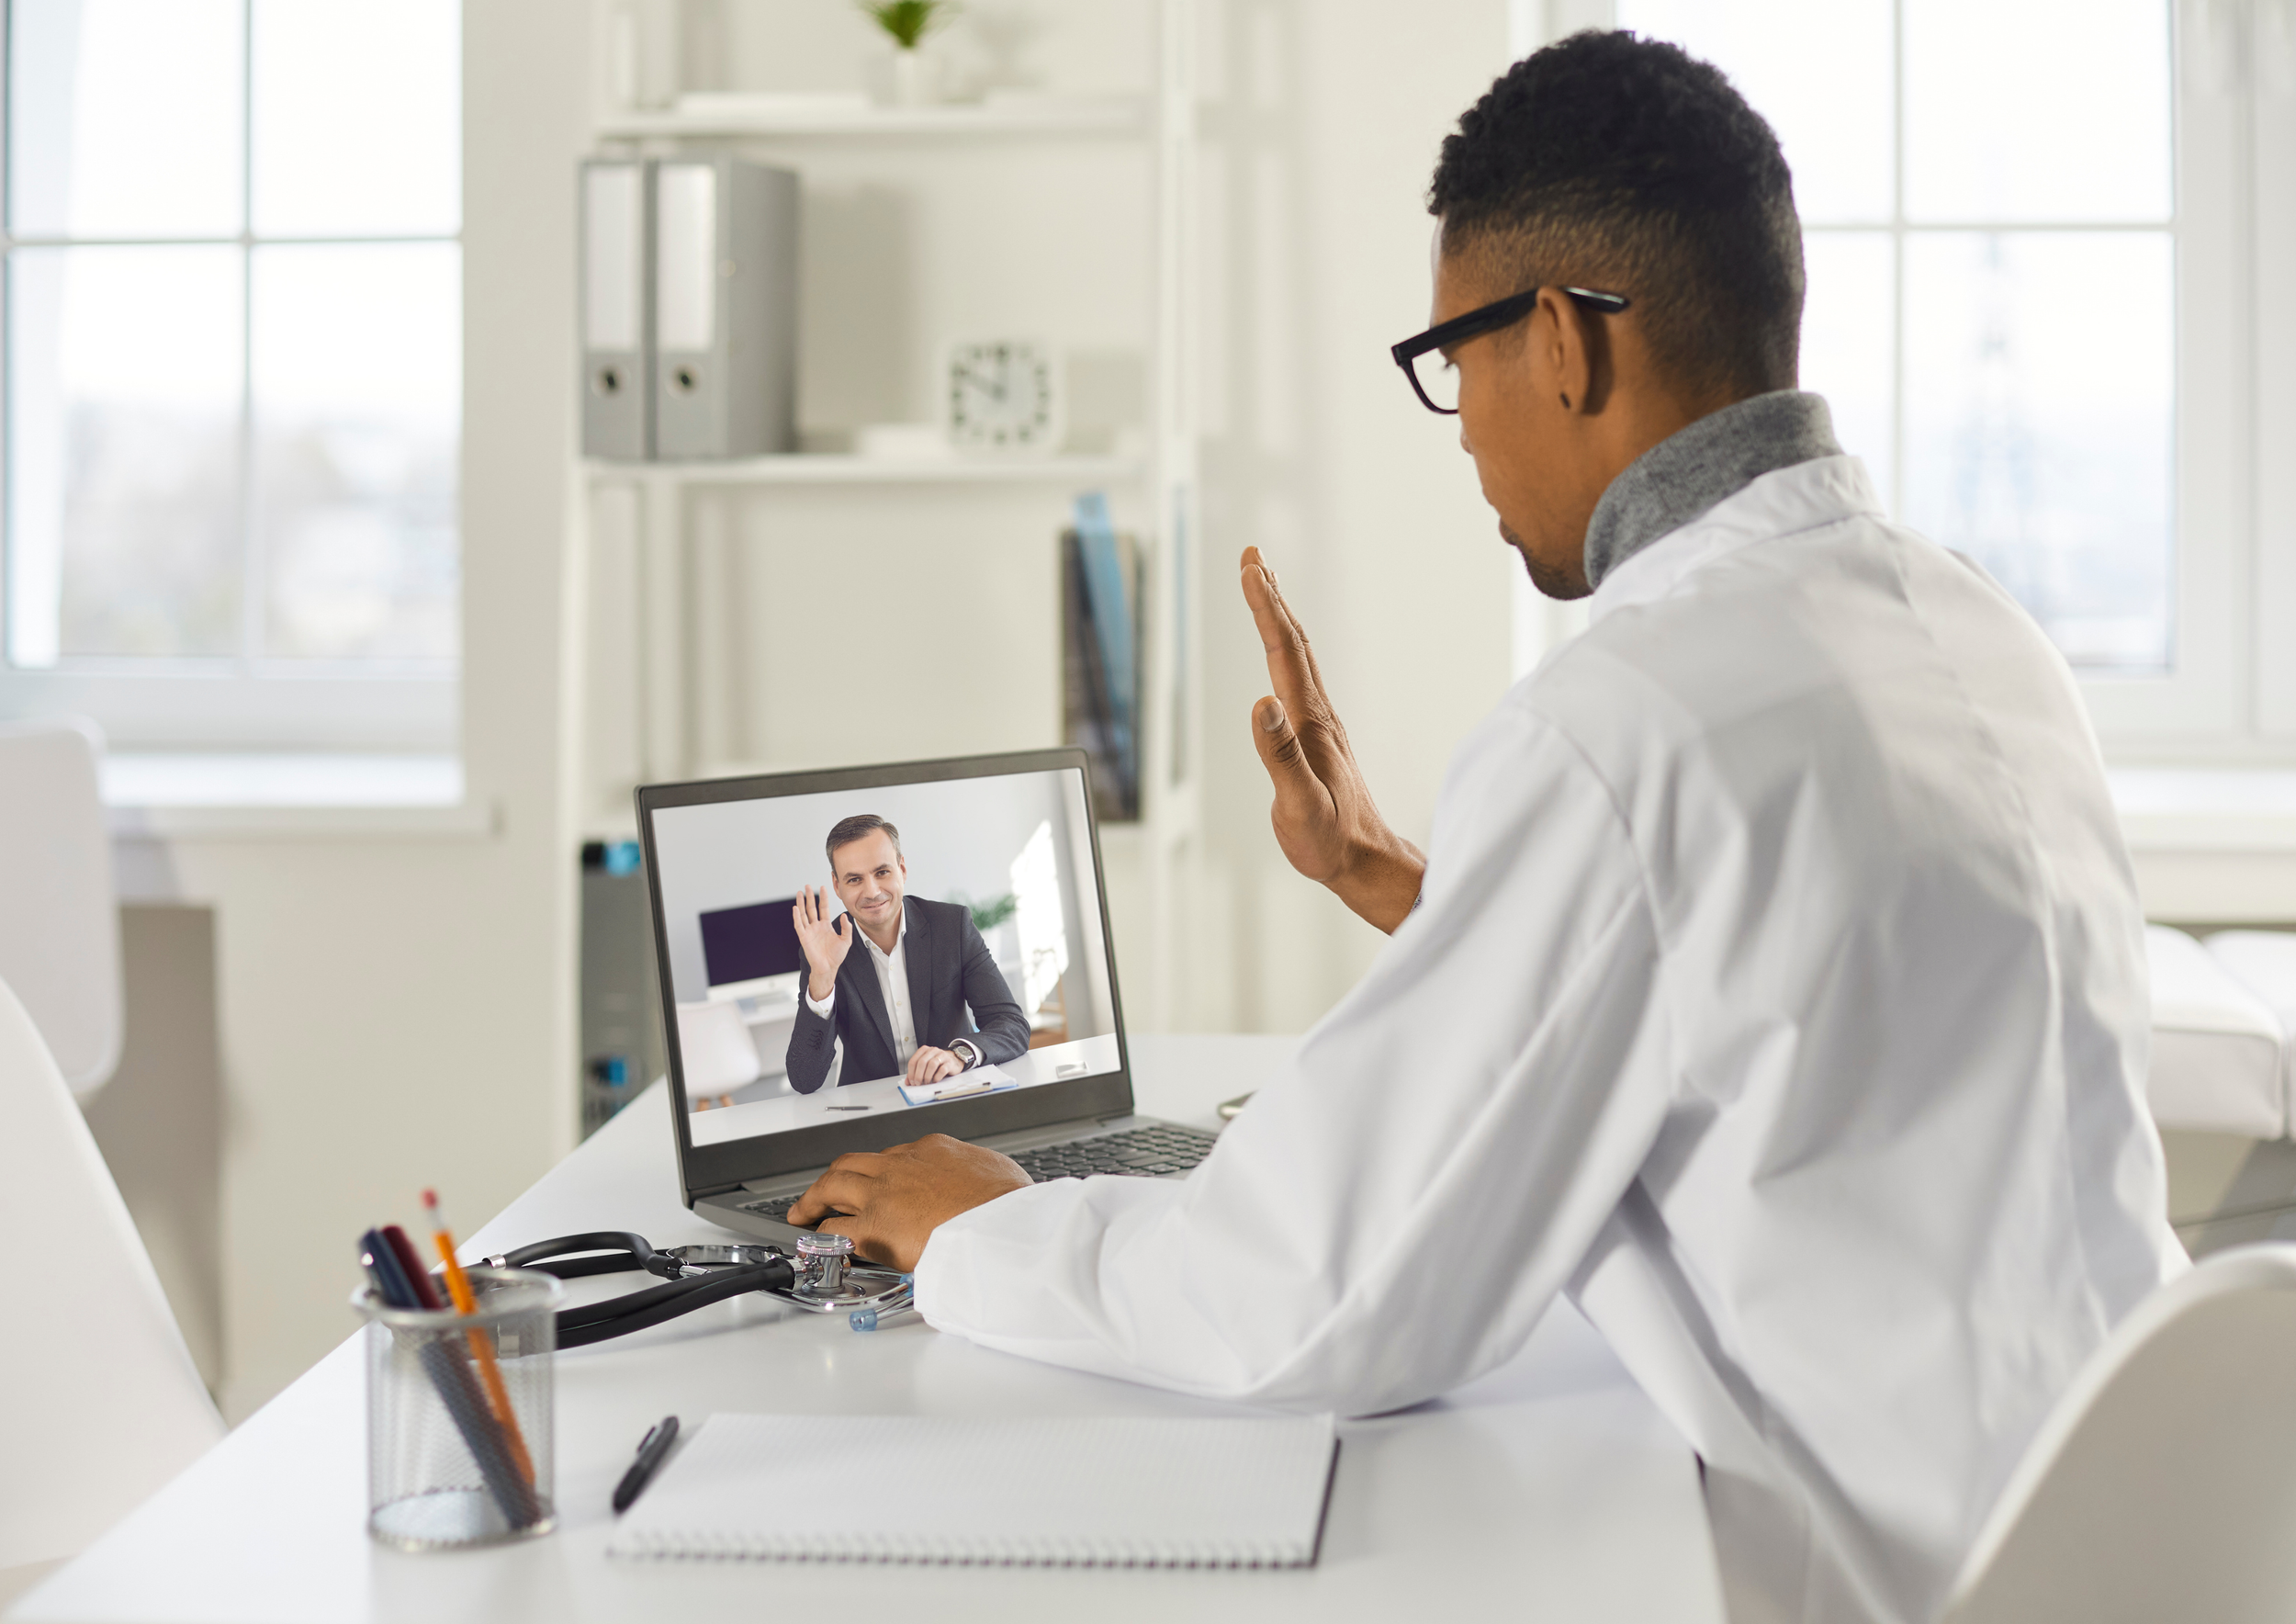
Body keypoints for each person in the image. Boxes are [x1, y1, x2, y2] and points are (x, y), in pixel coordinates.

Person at [787, 32, 2183, 1624]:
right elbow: (1760, 990)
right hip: (2123, 1530)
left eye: (1455, 356)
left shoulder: (1625, 722)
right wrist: (1397, 881)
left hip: (1895, 1579)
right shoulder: (1971, 626)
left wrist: (989, 1227)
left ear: (1564, 341)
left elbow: (1326, 1296)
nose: (1456, 425)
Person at [783, 814, 1030, 1095]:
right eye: (854, 879)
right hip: (874, 1113)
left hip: (954, 1096)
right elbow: (804, 1079)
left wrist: (958, 1056)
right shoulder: (825, 950)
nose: (872, 891)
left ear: (902, 868)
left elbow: (1011, 1025)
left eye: (882, 872)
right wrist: (823, 980)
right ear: (837, 885)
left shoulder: (952, 926)